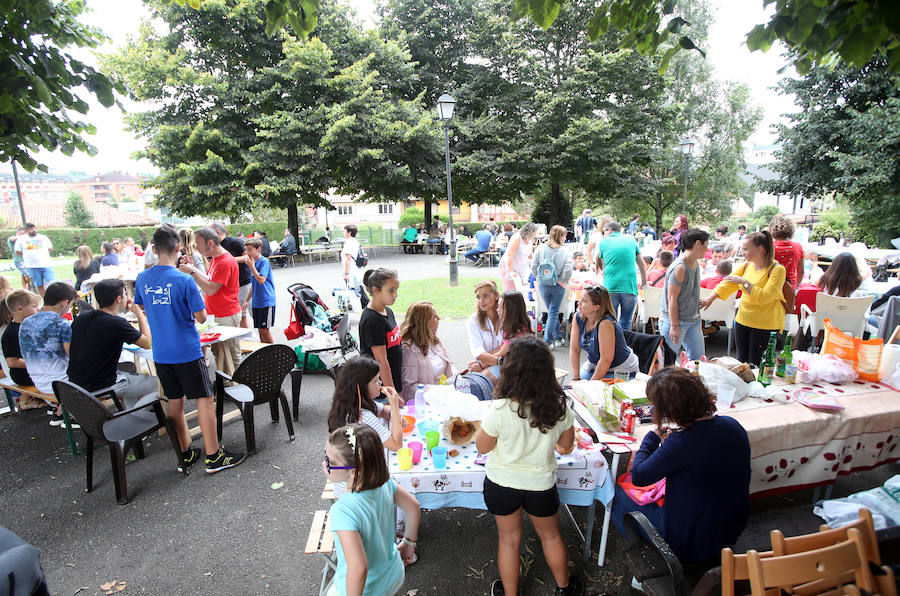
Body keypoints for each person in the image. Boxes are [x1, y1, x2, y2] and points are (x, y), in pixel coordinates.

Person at [475, 336, 581, 596]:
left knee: (509, 541)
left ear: (511, 371)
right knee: (551, 536)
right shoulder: (559, 405)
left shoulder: (500, 409)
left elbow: (482, 447)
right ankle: (564, 589)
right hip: (541, 485)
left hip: (502, 484)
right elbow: (566, 444)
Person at [611, 367, 750, 565]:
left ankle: (650, 560)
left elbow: (640, 476)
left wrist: (651, 439)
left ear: (668, 410)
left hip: (691, 541)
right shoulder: (732, 426)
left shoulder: (682, 443)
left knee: (617, 494)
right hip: (731, 528)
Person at [135, 225, 245, 474]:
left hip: (161, 352)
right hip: (186, 349)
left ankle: (184, 451)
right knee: (204, 399)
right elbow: (202, 317)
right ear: (178, 248)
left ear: (153, 248)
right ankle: (213, 455)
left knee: (174, 401)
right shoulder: (183, 280)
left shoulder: (143, 278)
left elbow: (141, 305)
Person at [323, 423, 421, 594]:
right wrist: (408, 543)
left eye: (330, 462)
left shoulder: (342, 511)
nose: (324, 465)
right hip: (393, 575)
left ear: (354, 472)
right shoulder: (385, 484)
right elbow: (413, 506)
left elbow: (358, 568)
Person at [66, 278, 157, 409]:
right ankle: (136, 416)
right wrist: (139, 313)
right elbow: (147, 343)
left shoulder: (82, 318)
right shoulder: (117, 323)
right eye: (125, 294)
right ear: (119, 299)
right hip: (102, 385)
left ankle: (131, 414)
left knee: (130, 372)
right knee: (160, 385)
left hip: (76, 383)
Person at [700, 231, 787, 365]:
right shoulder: (746, 266)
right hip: (743, 320)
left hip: (765, 324)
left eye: (746, 249)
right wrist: (710, 298)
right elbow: (727, 283)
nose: (743, 252)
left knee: (757, 363)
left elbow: (766, 297)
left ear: (761, 249)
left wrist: (744, 283)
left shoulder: (777, 269)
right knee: (741, 362)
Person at [179, 227, 242, 373]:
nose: (197, 248)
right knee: (219, 352)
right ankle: (226, 385)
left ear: (211, 243)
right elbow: (210, 280)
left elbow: (211, 288)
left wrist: (192, 271)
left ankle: (236, 386)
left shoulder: (224, 261)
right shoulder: (216, 259)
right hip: (217, 314)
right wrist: (193, 267)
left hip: (226, 314)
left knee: (231, 354)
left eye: (199, 244)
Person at [19, 282, 75, 425]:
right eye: (70, 305)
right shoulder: (61, 324)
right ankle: (71, 413)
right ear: (64, 303)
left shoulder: (25, 323)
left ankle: (60, 410)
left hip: (37, 380)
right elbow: (73, 358)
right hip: (61, 384)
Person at [569, 285, 639, 381]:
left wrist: (590, 385)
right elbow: (574, 349)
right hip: (595, 365)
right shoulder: (578, 317)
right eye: (580, 299)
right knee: (578, 388)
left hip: (618, 370)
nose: (578, 303)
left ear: (596, 307)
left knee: (591, 392)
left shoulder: (605, 323)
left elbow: (606, 360)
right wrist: (575, 379)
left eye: (584, 301)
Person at [660, 228, 708, 361]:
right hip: (675, 321)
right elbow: (672, 299)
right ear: (697, 244)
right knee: (667, 362)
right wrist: (674, 326)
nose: (707, 249)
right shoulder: (680, 267)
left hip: (693, 320)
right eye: (706, 244)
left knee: (699, 361)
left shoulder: (695, 263)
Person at [594, 221, 647, 332]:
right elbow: (641, 263)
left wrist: (600, 273)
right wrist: (644, 282)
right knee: (626, 321)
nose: (604, 235)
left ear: (610, 230)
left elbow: (602, 261)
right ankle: (623, 345)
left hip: (610, 286)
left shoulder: (604, 242)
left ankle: (611, 346)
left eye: (604, 232)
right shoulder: (631, 240)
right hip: (629, 287)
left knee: (610, 320)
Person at [399, 302, 455, 400]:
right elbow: (408, 389)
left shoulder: (434, 339)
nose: (439, 319)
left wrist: (456, 375)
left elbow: (446, 366)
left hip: (446, 394)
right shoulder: (409, 350)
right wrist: (436, 391)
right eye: (435, 317)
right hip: (429, 400)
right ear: (424, 322)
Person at [359, 268, 402, 390]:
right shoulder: (372, 321)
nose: (395, 295)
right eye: (391, 291)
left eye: (396, 290)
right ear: (375, 290)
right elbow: (381, 360)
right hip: (382, 389)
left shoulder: (387, 311)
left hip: (395, 380)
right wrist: (391, 391)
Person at [531, 225, 573, 346]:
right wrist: (562, 281)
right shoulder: (564, 251)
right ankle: (548, 341)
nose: (565, 238)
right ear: (560, 236)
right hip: (557, 286)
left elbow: (533, 266)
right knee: (553, 312)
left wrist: (539, 278)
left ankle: (559, 338)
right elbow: (568, 269)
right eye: (564, 235)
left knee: (551, 312)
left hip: (543, 285)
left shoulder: (540, 248)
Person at [211, 223, 252, 329]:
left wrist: (229, 260)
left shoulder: (234, 241)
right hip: (228, 285)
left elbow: (248, 257)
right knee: (240, 315)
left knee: (243, 314)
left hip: (242, 282)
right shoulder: (215, 246)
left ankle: (248, 340)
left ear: (217, 232)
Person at [238, 238, 276, 343]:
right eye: (247, 250)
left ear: (258, 249)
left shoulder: (264, 262)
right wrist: (246, 300)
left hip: (266, 301)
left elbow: (261, 280)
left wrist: (252, 267)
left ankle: (273, 355)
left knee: (264, 330)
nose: (248, 252)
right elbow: (253, 284)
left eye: (250, 249)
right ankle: (265, 354)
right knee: (260, 330)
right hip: (257, 302)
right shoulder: (253, 262)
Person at [2, 289, 39, 392]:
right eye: (34, 306)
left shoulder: (28, 325)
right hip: (24, 375)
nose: (38, 309)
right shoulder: (12, 332)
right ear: (20, 309)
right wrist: (40, 364)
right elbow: (12, 362)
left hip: (34, 370)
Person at [466, 281, 503, 374]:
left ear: (496, 295)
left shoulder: (505, 316)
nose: (481, 301)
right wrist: (499, 360)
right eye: (478, 297)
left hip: (500, 363)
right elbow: (479, 353)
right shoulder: (473, 321)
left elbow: (508, 346)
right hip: (500, 363)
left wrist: (482, 364)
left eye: (485, 296)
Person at [14, 223, 54, 297]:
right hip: (32, 266)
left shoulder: (43, 238)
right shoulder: (21, 239)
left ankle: (54, 298)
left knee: (51, 282)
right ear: (26, 230)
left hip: (46, 264)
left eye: (35, 228)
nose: (34, 230)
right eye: (31, 229)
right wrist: (26, 256)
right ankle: (44, 299)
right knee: (39, 284)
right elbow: (17, 251)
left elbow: (50, 248)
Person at [498, 222, 537, 291]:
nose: (535, 234)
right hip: (509, 267)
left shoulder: (530, 241)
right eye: (534, 232)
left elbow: (530, 255)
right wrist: (510, 271)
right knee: (510, 293)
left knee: (518, 293)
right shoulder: (517, 238)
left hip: (520, 269)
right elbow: (510, 255)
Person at [770, 215, 804, 290]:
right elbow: (801, 272)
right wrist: (795, 288)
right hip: (790, 287)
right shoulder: (797, 247)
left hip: (771, 287)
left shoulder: (769, 247)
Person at [342, 224, 370, 309]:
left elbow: (348, 258)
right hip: (357, 269)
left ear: (349, 232)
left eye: (345, 231)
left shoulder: (349, 242)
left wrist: (346, 273)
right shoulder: (355, 241)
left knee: (355, 290)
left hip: (352, 270)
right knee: (359, 290)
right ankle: (369, 307)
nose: (343, 233)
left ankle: (371, 308)